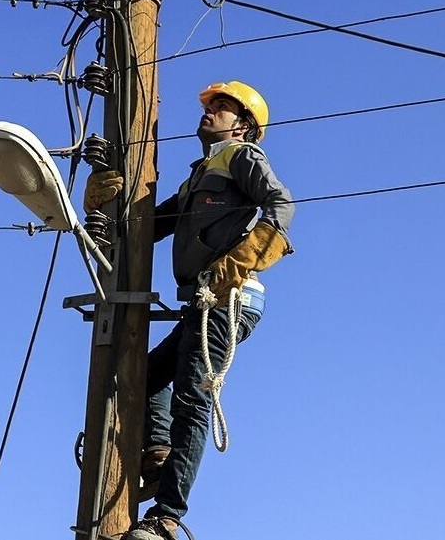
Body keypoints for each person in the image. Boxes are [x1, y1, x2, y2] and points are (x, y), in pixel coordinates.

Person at [83, 80, 294, 540]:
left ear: (243, 127)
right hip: (201, 302)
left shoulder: (242, 158)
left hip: (227, 300)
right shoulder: (201, 174)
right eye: (211, 105)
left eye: (221, 108)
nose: (210, 112)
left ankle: (167, 517)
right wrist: (104, 205)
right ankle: (159, 456)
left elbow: (281, 205)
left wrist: (239, 262)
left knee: (191, 400)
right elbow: (147, 227)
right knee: (141, 376)